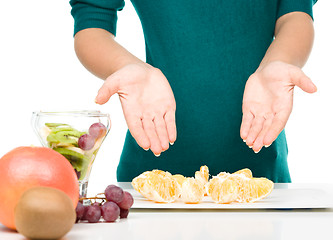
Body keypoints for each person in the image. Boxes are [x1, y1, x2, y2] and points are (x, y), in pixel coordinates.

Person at [70, 0, 317, 182]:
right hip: (150, 186)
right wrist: (127, 66)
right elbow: (92, 23)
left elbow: (296, 15)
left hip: (264, 181)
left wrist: (280, 61)